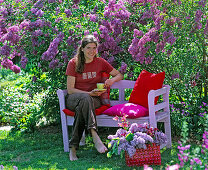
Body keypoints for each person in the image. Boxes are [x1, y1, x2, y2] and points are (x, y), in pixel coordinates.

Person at [65, 35, 124, 161]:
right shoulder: (73, 63)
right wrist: (88, 93)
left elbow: (119, 74)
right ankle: (94, 134)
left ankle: (73, 149)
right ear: (82, 49)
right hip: (74, 98)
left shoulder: (100, 62)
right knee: (85, 99)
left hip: (93, 99)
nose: (92, 51)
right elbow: (70, 90)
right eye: (88, 48)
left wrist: (111, 80)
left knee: (85, 104)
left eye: (94, 48)